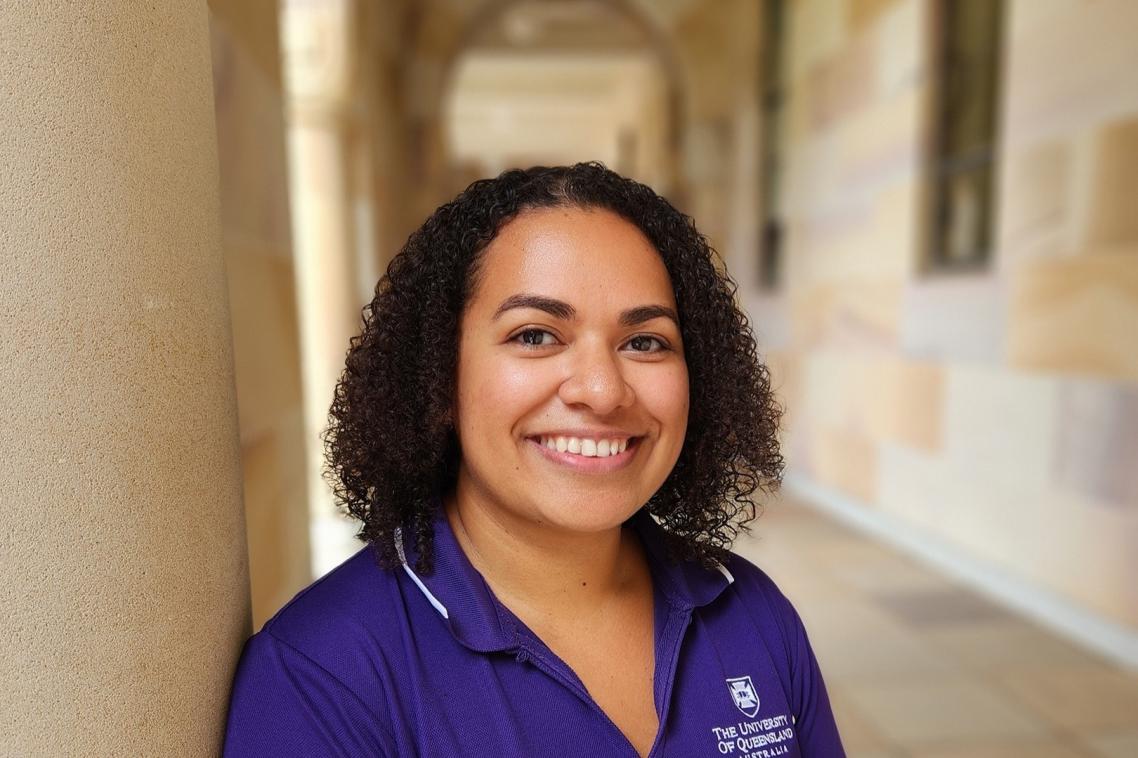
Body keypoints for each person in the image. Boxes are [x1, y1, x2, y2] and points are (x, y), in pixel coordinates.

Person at [223, 163, 845, 757]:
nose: (602, 390)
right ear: (440, 376)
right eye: (535, 335)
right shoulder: (321, 679)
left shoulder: (752, 614)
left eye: (645, 341)